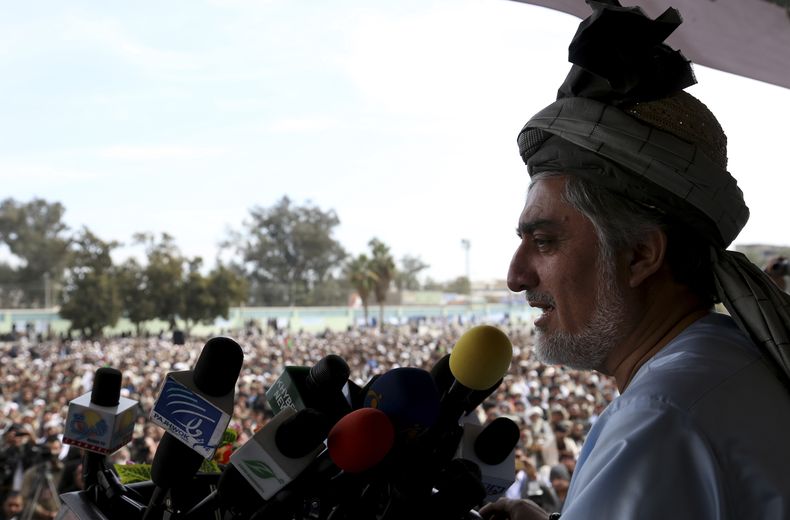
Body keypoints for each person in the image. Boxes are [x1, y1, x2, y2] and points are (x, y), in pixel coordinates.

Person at [480, 1, 790, 519]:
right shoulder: (732, 358)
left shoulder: (659, 417)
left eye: (545, 241)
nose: (515, 276)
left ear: (640, 254)